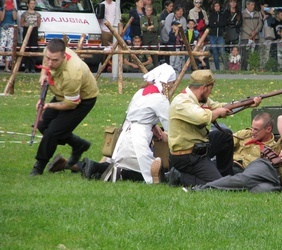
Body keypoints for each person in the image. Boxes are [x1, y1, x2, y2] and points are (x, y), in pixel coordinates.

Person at [81, 64, 177, 184]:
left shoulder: (140, 92)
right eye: (172, 82)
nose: (173, 85)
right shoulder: (160, 99)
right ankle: (100, 169)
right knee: (150, 174)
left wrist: (153, 126)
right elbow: (170, 126)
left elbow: (136, 114)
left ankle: (95, 167)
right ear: (167, 82)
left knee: (121, 163)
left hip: (126, 133)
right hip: (140, 137)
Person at [193, 115, 282, 193]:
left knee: (261, 191)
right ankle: (202, 189)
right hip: (267, 166)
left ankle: (226, 188)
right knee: (244, 180)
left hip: (277, 183)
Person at [168, 70, 261, 186]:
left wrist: (246, 104)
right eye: (210, 89)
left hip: (200, 147)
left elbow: (220, 107)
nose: (210, 93)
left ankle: (226, 175)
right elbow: (202, 117)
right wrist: (217, 112)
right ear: (204, 87)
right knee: (218, 185)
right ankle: (178, 176)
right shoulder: (181, 102)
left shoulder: (199, 99)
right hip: (186, 156)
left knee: (225, 135)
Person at [29, 38, 99, 176]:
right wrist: (43, 74)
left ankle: (39, 166)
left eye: (55, 60)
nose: (50, 62)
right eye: (48, 58)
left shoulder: (72, 74)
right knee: (42, 125)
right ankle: (79, 144)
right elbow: (45, 62)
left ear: (64, 56)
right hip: (62, 94)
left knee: (52, 132)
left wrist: (47, 105)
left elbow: (71, 104)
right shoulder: (50, 52)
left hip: (82, 99)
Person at [240, 0, 262, 71]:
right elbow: (243, 25)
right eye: (252, 5)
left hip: (256, 37)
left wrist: (255, 31)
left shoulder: (257, 13)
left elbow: (260, 24)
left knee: (255, 53)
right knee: (245, 54)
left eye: (253, 5)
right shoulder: (242, 14)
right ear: (247, 5)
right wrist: (250, 33)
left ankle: (254, 68)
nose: (253, 6)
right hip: (246, 37)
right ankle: (244, 69)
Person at [20, 0, 41, 73]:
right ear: (28, 4)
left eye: (34, 4)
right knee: (26, 48)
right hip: (26, 30)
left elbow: (38, 24)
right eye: (31, 3)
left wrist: (33, 25)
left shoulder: (37, 14)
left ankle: (32, 67)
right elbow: (21, 23)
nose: (33, 5)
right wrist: (27, 24)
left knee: (34, 48)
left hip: (34, 31)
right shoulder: (24, 14)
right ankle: (26, 67)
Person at [208, 0, 228, 71]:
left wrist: (217, 24)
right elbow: (211, 24)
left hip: (220, 35)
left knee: (222, 52)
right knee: (215, 53)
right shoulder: (211, 14)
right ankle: (217, 69)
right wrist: (217, 24)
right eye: (215, 6)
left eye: (218, 6)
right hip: (212, 36)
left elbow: (224, 23)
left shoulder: (222, 14)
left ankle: (226, 68)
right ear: (213, 7)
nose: (217, 7)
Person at [0, 0, 17, 72]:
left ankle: (7, 66)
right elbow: (1, 19)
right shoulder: (1, 9)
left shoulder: (14, 9)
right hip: (4, 28)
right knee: (2, 46)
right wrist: (4, 9)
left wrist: (13, 8)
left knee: (10, 46)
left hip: (11, 28)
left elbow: (15, 18)